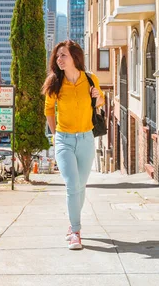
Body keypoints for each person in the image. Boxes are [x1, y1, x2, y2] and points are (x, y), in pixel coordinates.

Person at [42, 39, 104, 250]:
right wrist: (55, 134)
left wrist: (98, 96)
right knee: (71, 185)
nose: (59, 59)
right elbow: (49, 109)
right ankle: (76, 231)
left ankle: (72, 224)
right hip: (64, 140)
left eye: (63, 55)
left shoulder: (90, 79)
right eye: (58, 56)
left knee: (80, 186)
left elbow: (101, 101)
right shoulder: (54, 83)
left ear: (74, 57)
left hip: (86, 138)